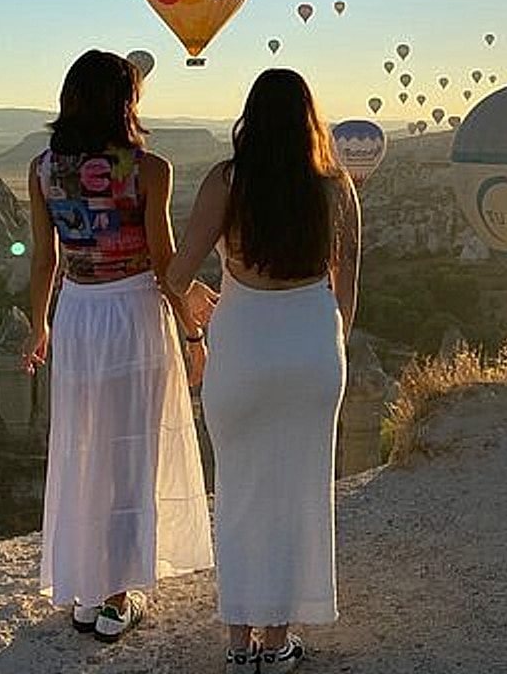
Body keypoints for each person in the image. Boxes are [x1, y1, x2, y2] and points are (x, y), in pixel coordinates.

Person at [167, 69, 361, 673]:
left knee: (242, 493)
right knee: (297, 495)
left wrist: (198, 324)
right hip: (311, 347)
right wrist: (328, 347)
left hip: (243, 348)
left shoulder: (227, 182)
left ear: (250, 119)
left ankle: (237, 643)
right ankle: (278, 645)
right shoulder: (335, 187)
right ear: (310, 120)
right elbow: (345, 290)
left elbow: (175, 277)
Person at [21, 49, 217, 640]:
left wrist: (39, 327)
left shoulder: (42, 169)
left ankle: (86, 587)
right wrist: (193, 330)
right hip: (132, 310)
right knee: (130, 450)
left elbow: (43, 259)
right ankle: (116, 597)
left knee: (86, 448)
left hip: (77, 312)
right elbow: (163, 261)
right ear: (124, 101)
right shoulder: (148, 169)